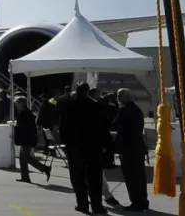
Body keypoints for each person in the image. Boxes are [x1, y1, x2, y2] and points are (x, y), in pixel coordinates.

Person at [59, 82, 111, 214]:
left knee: (77, 177)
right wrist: (106, 144)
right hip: (93, 146)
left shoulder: (68, 106)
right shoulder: (96, 106)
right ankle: (97, 206)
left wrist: (65, 142)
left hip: (74, 146)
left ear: (76, 91)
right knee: (95, 177)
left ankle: (82, 204)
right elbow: (104, 127)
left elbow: (63, 127)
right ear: (88, 92)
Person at [111, 88, 149, 211]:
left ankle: (136, 201)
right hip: (138, 146)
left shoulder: (124, 110)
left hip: (128, 147)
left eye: (120, 96)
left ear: (127, 97)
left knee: (131, 176)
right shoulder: (137, 109)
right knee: (140, 175)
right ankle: (143, 200)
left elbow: (114, 125)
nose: (117, 98)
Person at [14, 97, 50, 183]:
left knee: (27, 157)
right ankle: (25, 177)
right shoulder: (23, 113)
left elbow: (26, 127)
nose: (15, 105)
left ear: (22, 104)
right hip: (25, 138)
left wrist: (18, 127)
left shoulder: (26, 113)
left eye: (17, 103)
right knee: (22, 158)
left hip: (27, 139)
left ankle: (45, 168)